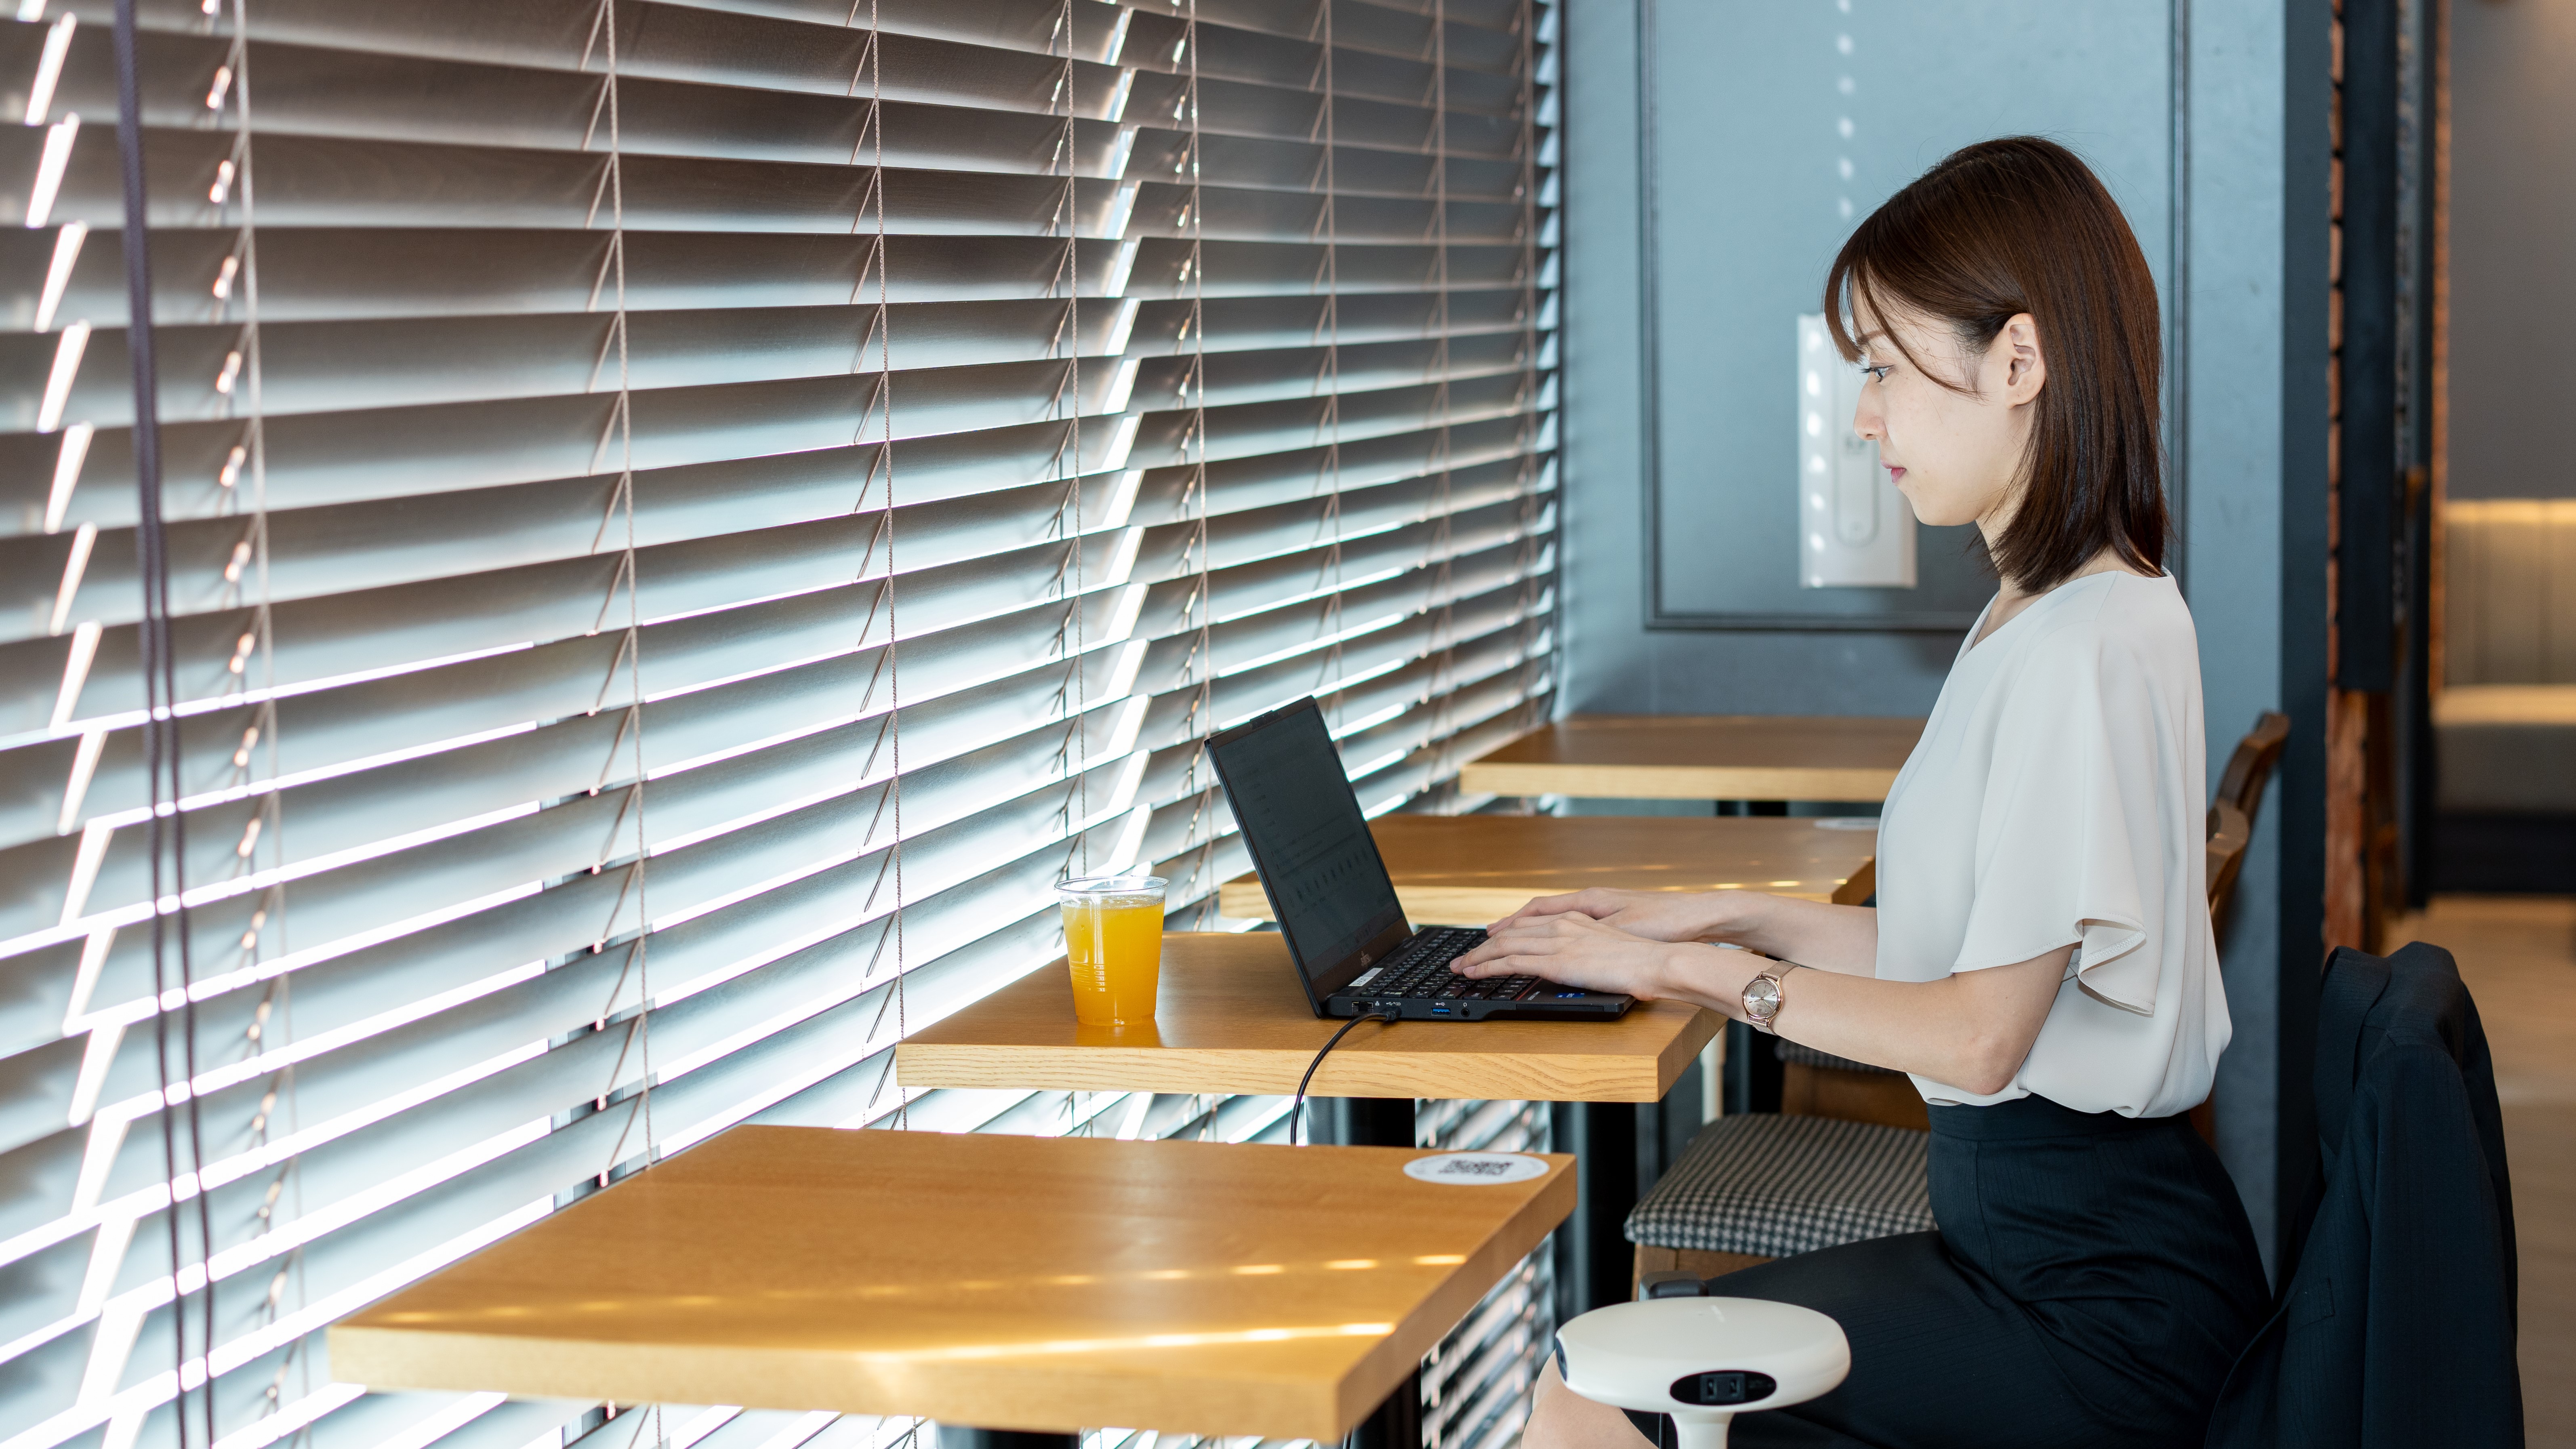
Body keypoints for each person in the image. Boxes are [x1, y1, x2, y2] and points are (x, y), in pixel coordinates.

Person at [1458, 137, 2271, 1449]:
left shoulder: (2082, 645)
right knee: (1595, 1383)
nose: (1862, 415)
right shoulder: (2050, 611)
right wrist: (1714, 918)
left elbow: (1977, 1036)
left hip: (2095, 1307)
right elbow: (1965, 954)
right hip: (2040, 1245)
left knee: (1596, 1396)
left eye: (1885, 368)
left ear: (2018, 362)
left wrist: (1707, 981)